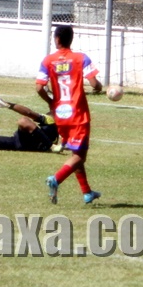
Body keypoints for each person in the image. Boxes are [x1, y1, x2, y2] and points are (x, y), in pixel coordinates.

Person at [36, 25, 104, 205]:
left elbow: (39, 87)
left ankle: (87, 192)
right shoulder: (81, 58)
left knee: (76, 153)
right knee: (79, 156)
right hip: (78, 114)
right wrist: (99, 87)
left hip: (61, 114)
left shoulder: (48, 60)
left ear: (57, 39)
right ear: (70, 39)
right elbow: (94, 83)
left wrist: (51, 102)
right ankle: (55, 179)